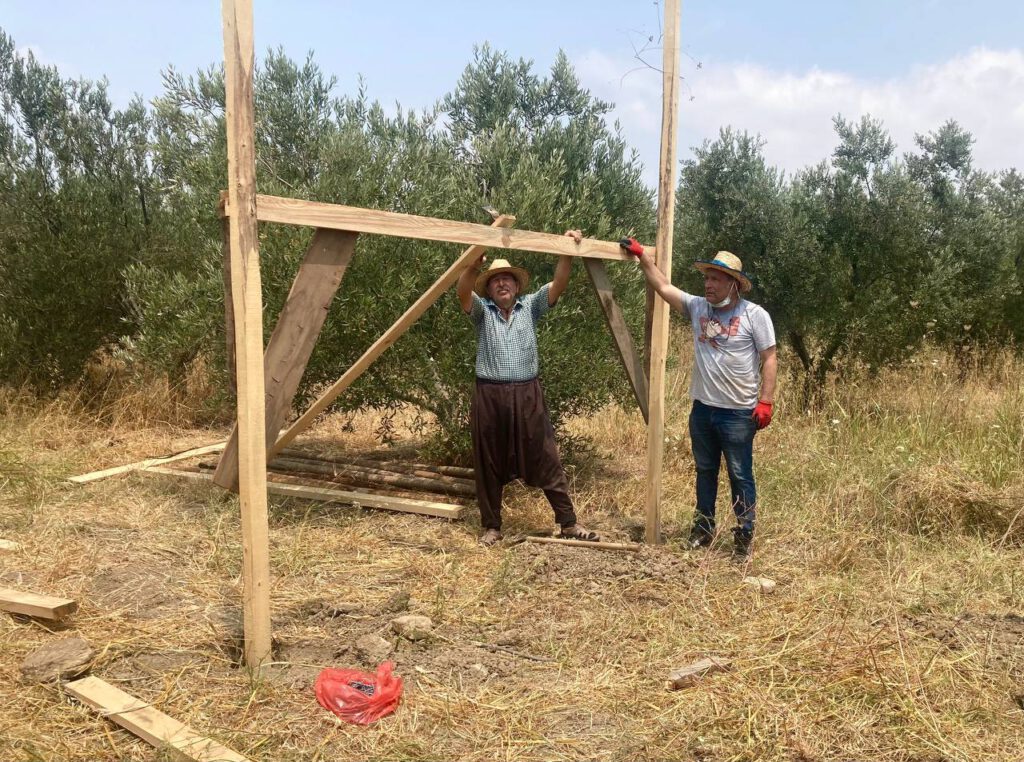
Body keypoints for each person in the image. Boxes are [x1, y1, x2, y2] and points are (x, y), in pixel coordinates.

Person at [621, 239, 777, 558]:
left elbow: (770, 357)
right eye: (706, 277)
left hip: (738, 414)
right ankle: (702, 530)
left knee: (740, 473)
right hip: (703, 410)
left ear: (733, 284)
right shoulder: (697, 307)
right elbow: (663, 286)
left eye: (715, 279)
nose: (707, 284)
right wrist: (641, 257)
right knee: (705, 470)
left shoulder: (754, 316)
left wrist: (766, 401)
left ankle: (743, 536)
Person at [457, 230, 599, 546]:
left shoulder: (531, 306)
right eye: (495, 280)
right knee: (488, 460)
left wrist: (566, 251)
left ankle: (568, 523)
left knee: (547, 456)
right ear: (489, 289)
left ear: (518, 286)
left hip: (528, 393)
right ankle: (492, 527)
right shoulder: (482, 313)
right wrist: (472, 268)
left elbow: (559, 283)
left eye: (507, 279)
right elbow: (463, 293)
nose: (502, 284)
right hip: (490, 395)